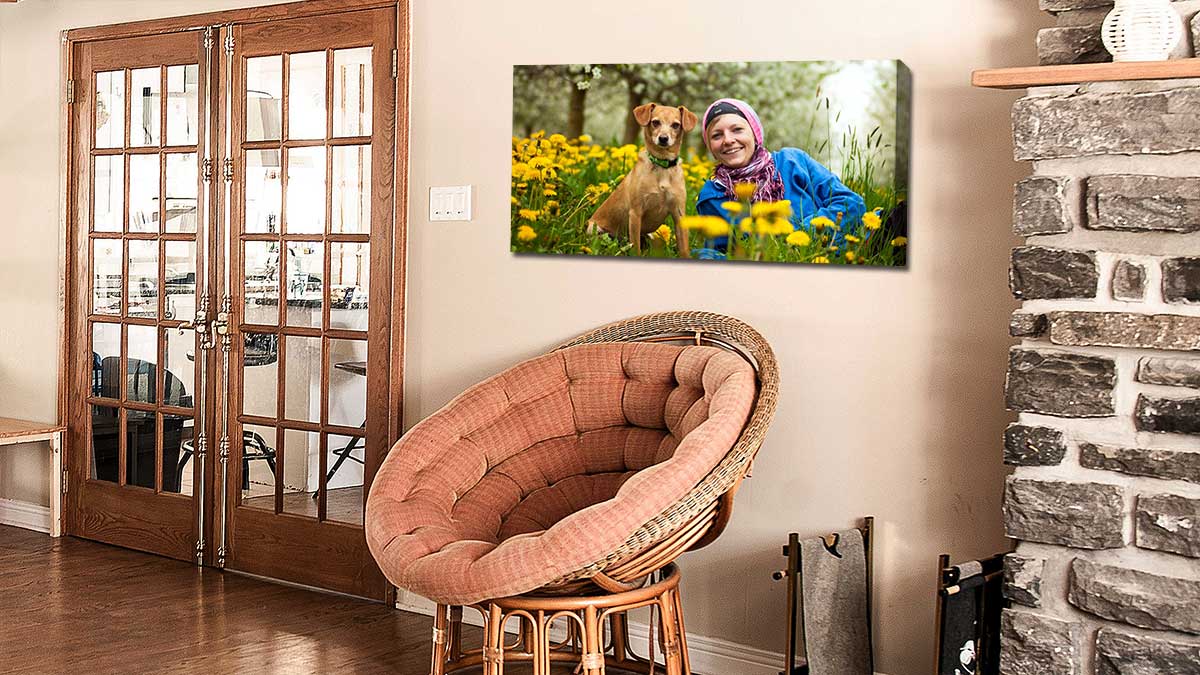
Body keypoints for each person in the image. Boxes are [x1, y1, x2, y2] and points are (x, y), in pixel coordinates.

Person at [695, 98, 866, 255]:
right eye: (717, 135)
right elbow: (720, 252)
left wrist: (796, 234)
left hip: (846, 250)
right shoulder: (712, 196)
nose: (728, 140)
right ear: (710, 147)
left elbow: (852, 203)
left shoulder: (793, 161)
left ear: (755, 135)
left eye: (737, 129)